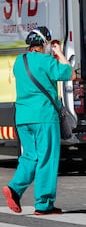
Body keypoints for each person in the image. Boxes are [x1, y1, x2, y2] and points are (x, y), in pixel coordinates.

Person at [2, 27, 75, 215]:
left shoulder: (19, 62)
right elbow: (70, 73)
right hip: (44, 117)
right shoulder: (47, 61)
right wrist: (59, 52)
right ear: (44, 44)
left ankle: (14, 189)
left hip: (23, 118)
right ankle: (44, 204)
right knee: (47, 159)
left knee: (30, 156)